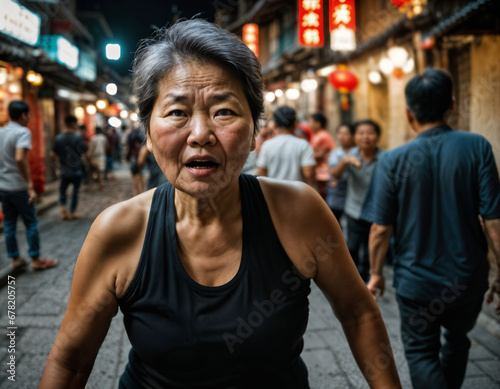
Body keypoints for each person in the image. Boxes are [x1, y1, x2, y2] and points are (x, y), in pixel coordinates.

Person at [40, 19, 401, 389]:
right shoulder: (118, 230)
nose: (200, 135)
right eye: (177, 112)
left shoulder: (298, 211)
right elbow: (70, 363)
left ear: (254, 133)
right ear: (147, 133)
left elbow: (358, 313)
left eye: (223, 111)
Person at [362, 68, 500, 389]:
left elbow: (380, 228)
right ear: (451, 106)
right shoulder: (477, 147)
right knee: (458, 338)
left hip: (416, 283)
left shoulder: (393, 160)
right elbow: (493, 222)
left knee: (421, 351)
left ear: (409, 114)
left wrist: (377, 273)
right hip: (468, 278)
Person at [0, 100, 58, 270]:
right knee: (31, 223)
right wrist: (30, 186)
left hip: (3, 188)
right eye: (28, 115)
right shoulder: (22, 132)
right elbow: (19, 158)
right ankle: (36, 259)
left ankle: (16, 259)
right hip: (19, 188)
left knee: (10, 224)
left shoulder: (1, 131)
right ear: (24, 115)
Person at [331, 119, 383, 282]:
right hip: (354, 209)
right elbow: (335, 175)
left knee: (371, 251)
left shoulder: (385, 157)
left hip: (376, 211)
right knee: (352, 247)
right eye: (361, 133)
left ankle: (367, 281)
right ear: (355, 136)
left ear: (377, 136)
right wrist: (345, 161)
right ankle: (353, 280)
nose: (365, 137)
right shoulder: (350, 155)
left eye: (370, 133)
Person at [257, 106, 317, 188]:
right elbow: (309, 174)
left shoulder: (267, 145)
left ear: (275, 125)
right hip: (298, 195)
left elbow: (262, 173)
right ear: (295, 124)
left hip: (273, 196)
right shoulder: (303, 145)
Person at [50, 115, 88, 220]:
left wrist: (60, 160)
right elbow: (84, 151)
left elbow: (52, 153)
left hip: (64, 170)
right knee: (75, 191)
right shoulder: (78, 137)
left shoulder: (58, 137)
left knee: (62, 191)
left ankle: (63, 212)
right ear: (73, 124)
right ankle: (72, 212)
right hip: (77, 170)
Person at [325, 123, 355, 224]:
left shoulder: (358, 152)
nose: (341, 136)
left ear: (353, 135)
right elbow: (334, 173)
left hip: (353, 197)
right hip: (337, 196)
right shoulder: (335, 153)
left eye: (345, 133)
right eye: (339, 133)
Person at [309, 112, 336, 198]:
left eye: (311, 122)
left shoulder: (323, 136)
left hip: (323, 173)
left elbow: (317, 155)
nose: (309, 124)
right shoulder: (318, 135)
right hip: (321, 172)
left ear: (318, 123)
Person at [127, 126, 146, 195]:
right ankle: (142, 191)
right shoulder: (141, 139)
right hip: (139, 157)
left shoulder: (131, 137)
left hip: (133, 157)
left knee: (135, 176)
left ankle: (136, 193)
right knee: (141, 175)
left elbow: (128, 147)